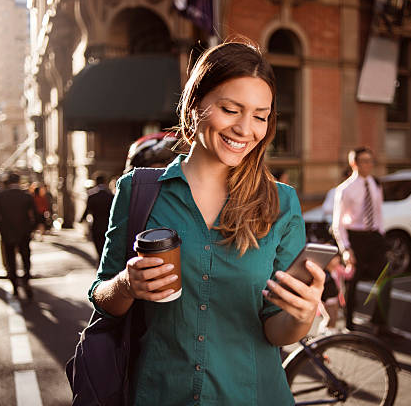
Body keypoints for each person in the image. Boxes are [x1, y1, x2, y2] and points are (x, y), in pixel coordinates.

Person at [89, 41, 326, 405]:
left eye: (260, 116)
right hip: (158, 394)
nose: (246, 129)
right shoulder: (137, 190)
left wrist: (301, 315)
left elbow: (278, 330)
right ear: (194, 103)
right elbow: (102, 297)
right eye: (231, 109)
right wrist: (127, 284)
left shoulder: (281, 203)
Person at [331, 147, 392, 335]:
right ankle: (349, 324)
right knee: (352, 283)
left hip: (374, 237)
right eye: (364, 161)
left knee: (385, 278)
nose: (369, 165)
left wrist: (380, 233)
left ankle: (379, 323)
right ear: (354, 163)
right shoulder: (345, 189)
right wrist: (346, 249)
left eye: (371, 161)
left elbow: (379, 211)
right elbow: (337, 224)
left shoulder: (375, 183)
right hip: (355, 239)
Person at [0, 172, 36, 299]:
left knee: (10, 260)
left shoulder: (0, 196)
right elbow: (36, 215)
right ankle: (26, 279)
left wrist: (0, 228)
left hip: (7, 232)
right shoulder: (26, 196)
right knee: (25, 257)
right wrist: (31, 229)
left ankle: (15, 285)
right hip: (24, 233)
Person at [80, 173, 114, 260]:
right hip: (108, 225)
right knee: (106, 245)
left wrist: (81, 219)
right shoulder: (110, 196)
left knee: (98, 245)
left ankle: (100, 259)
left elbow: (87, 210)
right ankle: (104, 259)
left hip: (96, 225)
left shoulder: (92, 195)